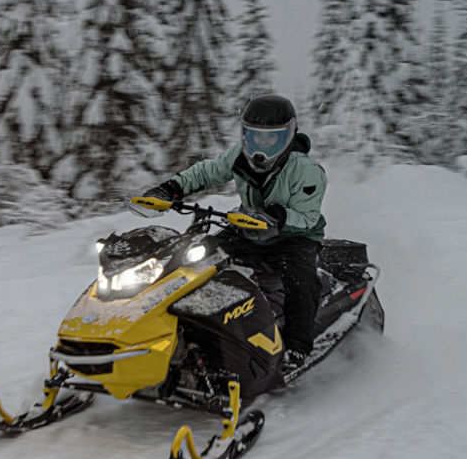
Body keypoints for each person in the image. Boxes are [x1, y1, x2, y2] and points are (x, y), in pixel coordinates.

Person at [131, 94, 326, 374]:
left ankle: (296, 347)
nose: (262, 147)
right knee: (197, 259)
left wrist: (278, 218)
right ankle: (176, 329)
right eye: (255, 138)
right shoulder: (238, 157)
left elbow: (307, 217)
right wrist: (170, 189)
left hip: (294, 237)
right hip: (248, 229)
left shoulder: (307, 171)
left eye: (272, 139)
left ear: (289, 136)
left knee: (301, 280)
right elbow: (206, 173)